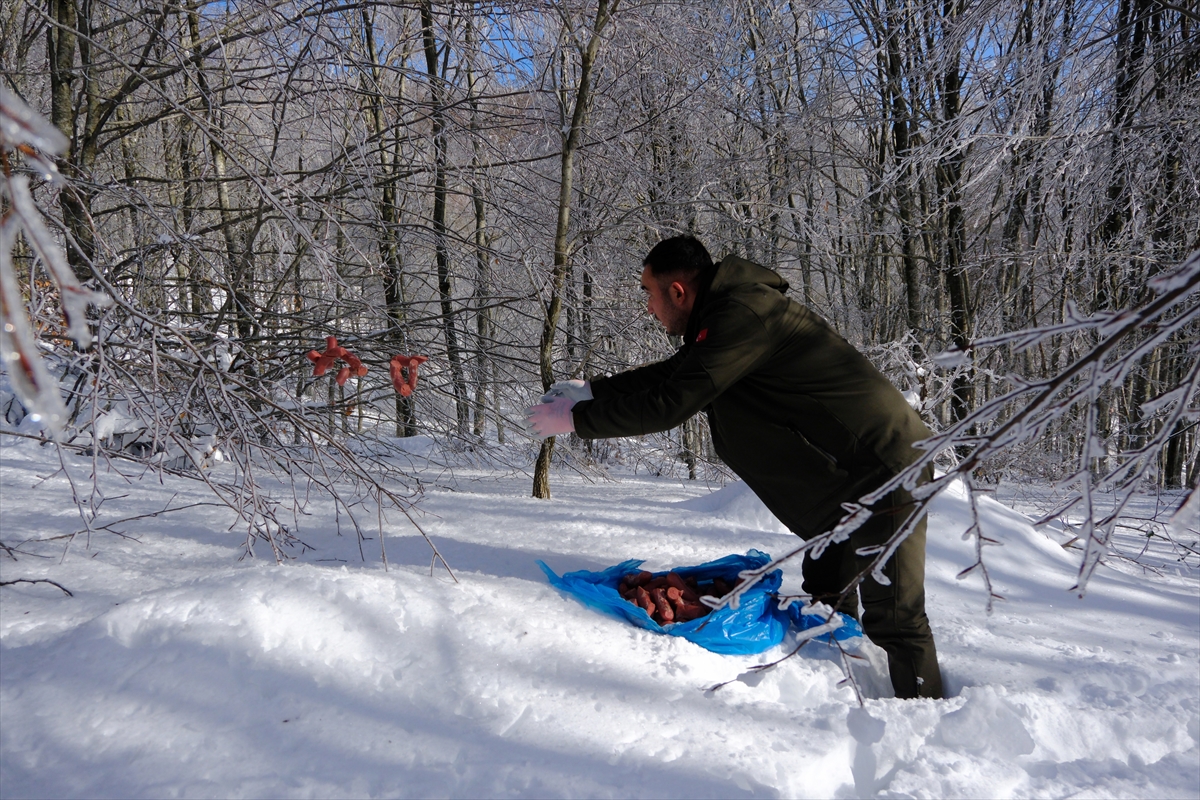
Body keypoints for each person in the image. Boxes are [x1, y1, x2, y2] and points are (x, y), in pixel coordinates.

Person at [525, 235, 943, 699]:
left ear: (678, 291)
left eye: (649, 293)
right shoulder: (724, 318)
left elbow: (673, 401)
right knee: (828, 588)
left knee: (897, 616)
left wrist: (576, 419)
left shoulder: (743, 316)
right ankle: (843, 696)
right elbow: (675, 374)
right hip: (845, 473)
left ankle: (926, 729)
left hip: (889, 465)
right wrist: (594, 390)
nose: (648, 308)